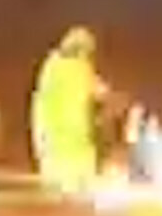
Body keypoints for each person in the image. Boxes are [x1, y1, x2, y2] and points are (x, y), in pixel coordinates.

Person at [30, 26, 109, 195]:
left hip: (58, 139)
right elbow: (97, 91)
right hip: (71, 141)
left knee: (63, 190)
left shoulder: (51, 67)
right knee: (75, 190)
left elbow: (41, 100)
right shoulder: (79, 68)